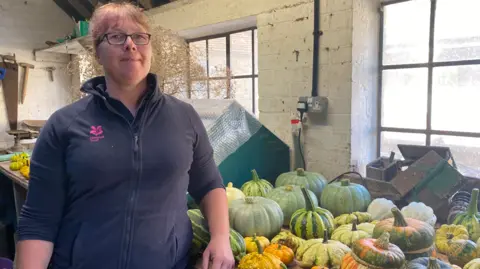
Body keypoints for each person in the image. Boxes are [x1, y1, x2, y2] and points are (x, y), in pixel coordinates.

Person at [14, 2, 234, 269]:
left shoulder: (184, 117)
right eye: (117, 36)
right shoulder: (64, 125)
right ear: (97, 51)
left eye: (140, 37)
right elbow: (39, 219)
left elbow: (209, 184)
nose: (131, 45)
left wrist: (221, 237)